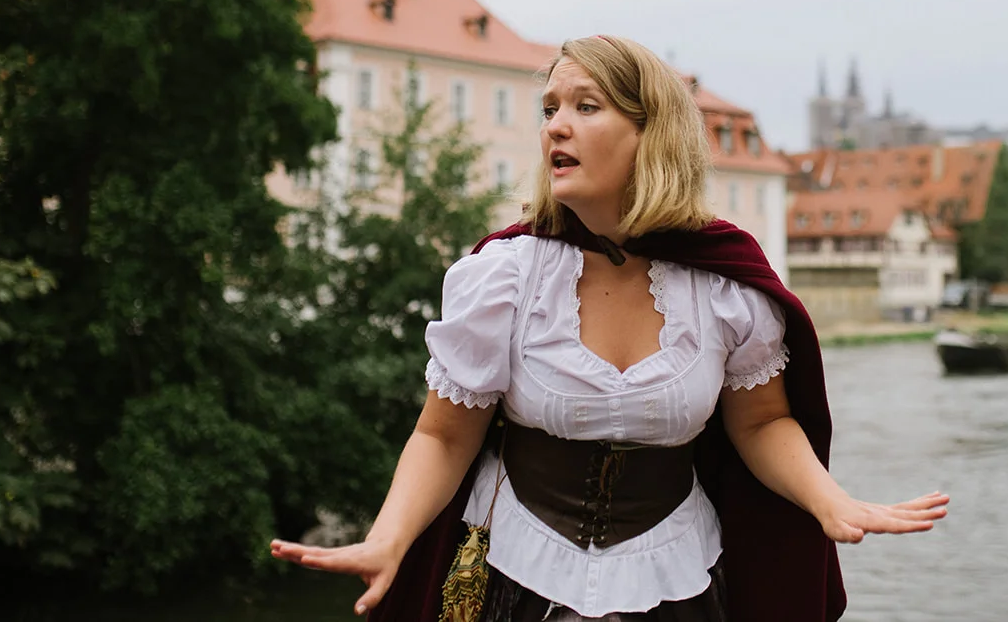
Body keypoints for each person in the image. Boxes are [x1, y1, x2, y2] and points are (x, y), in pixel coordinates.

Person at [270, 36, 949, 621]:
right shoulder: (508, 276)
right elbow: (444, 435)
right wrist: (388, 539)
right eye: (549, 110)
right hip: (516, 570)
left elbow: (763, 423)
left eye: (586, 107)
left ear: (652, 132)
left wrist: (829, 502)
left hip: (675, 577)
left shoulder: (722, 288)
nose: (555, 128)